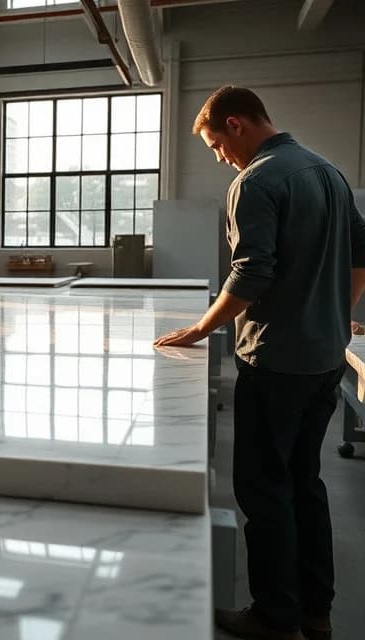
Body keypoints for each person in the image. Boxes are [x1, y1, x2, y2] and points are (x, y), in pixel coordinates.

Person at [155, 86, 365, 640]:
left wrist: (200, 329)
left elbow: (250, 273)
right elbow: (361, 253)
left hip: (275, 361)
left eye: (217, 145)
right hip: (323, 358)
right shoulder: (329, 172)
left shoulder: (256, 181)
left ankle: (275, 616)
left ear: (235, 124)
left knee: (265, 489)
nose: (220, 157)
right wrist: (338, 314)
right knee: (304, 482)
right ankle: (315, 610)